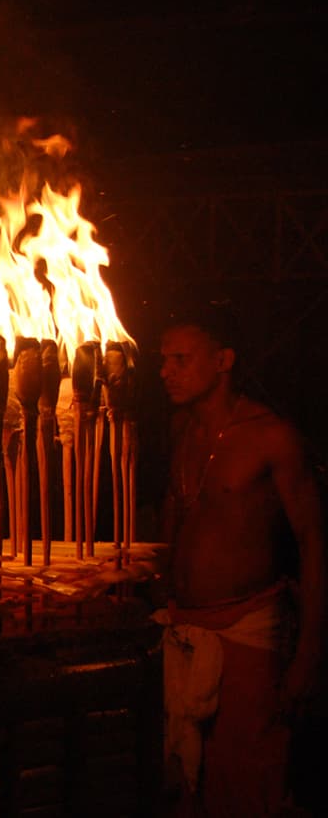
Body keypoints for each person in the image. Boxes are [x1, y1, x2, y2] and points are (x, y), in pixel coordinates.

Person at [153, 299, 324, 817]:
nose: (166, 372)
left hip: (247, 632)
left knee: (249, 782)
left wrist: (308, 655)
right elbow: (175, 512)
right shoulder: (182, 430)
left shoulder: (272, 437)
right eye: (164, 360)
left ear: (223, 361)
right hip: (185, 629)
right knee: (188, 784)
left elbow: (315, 540)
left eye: (181, 360)